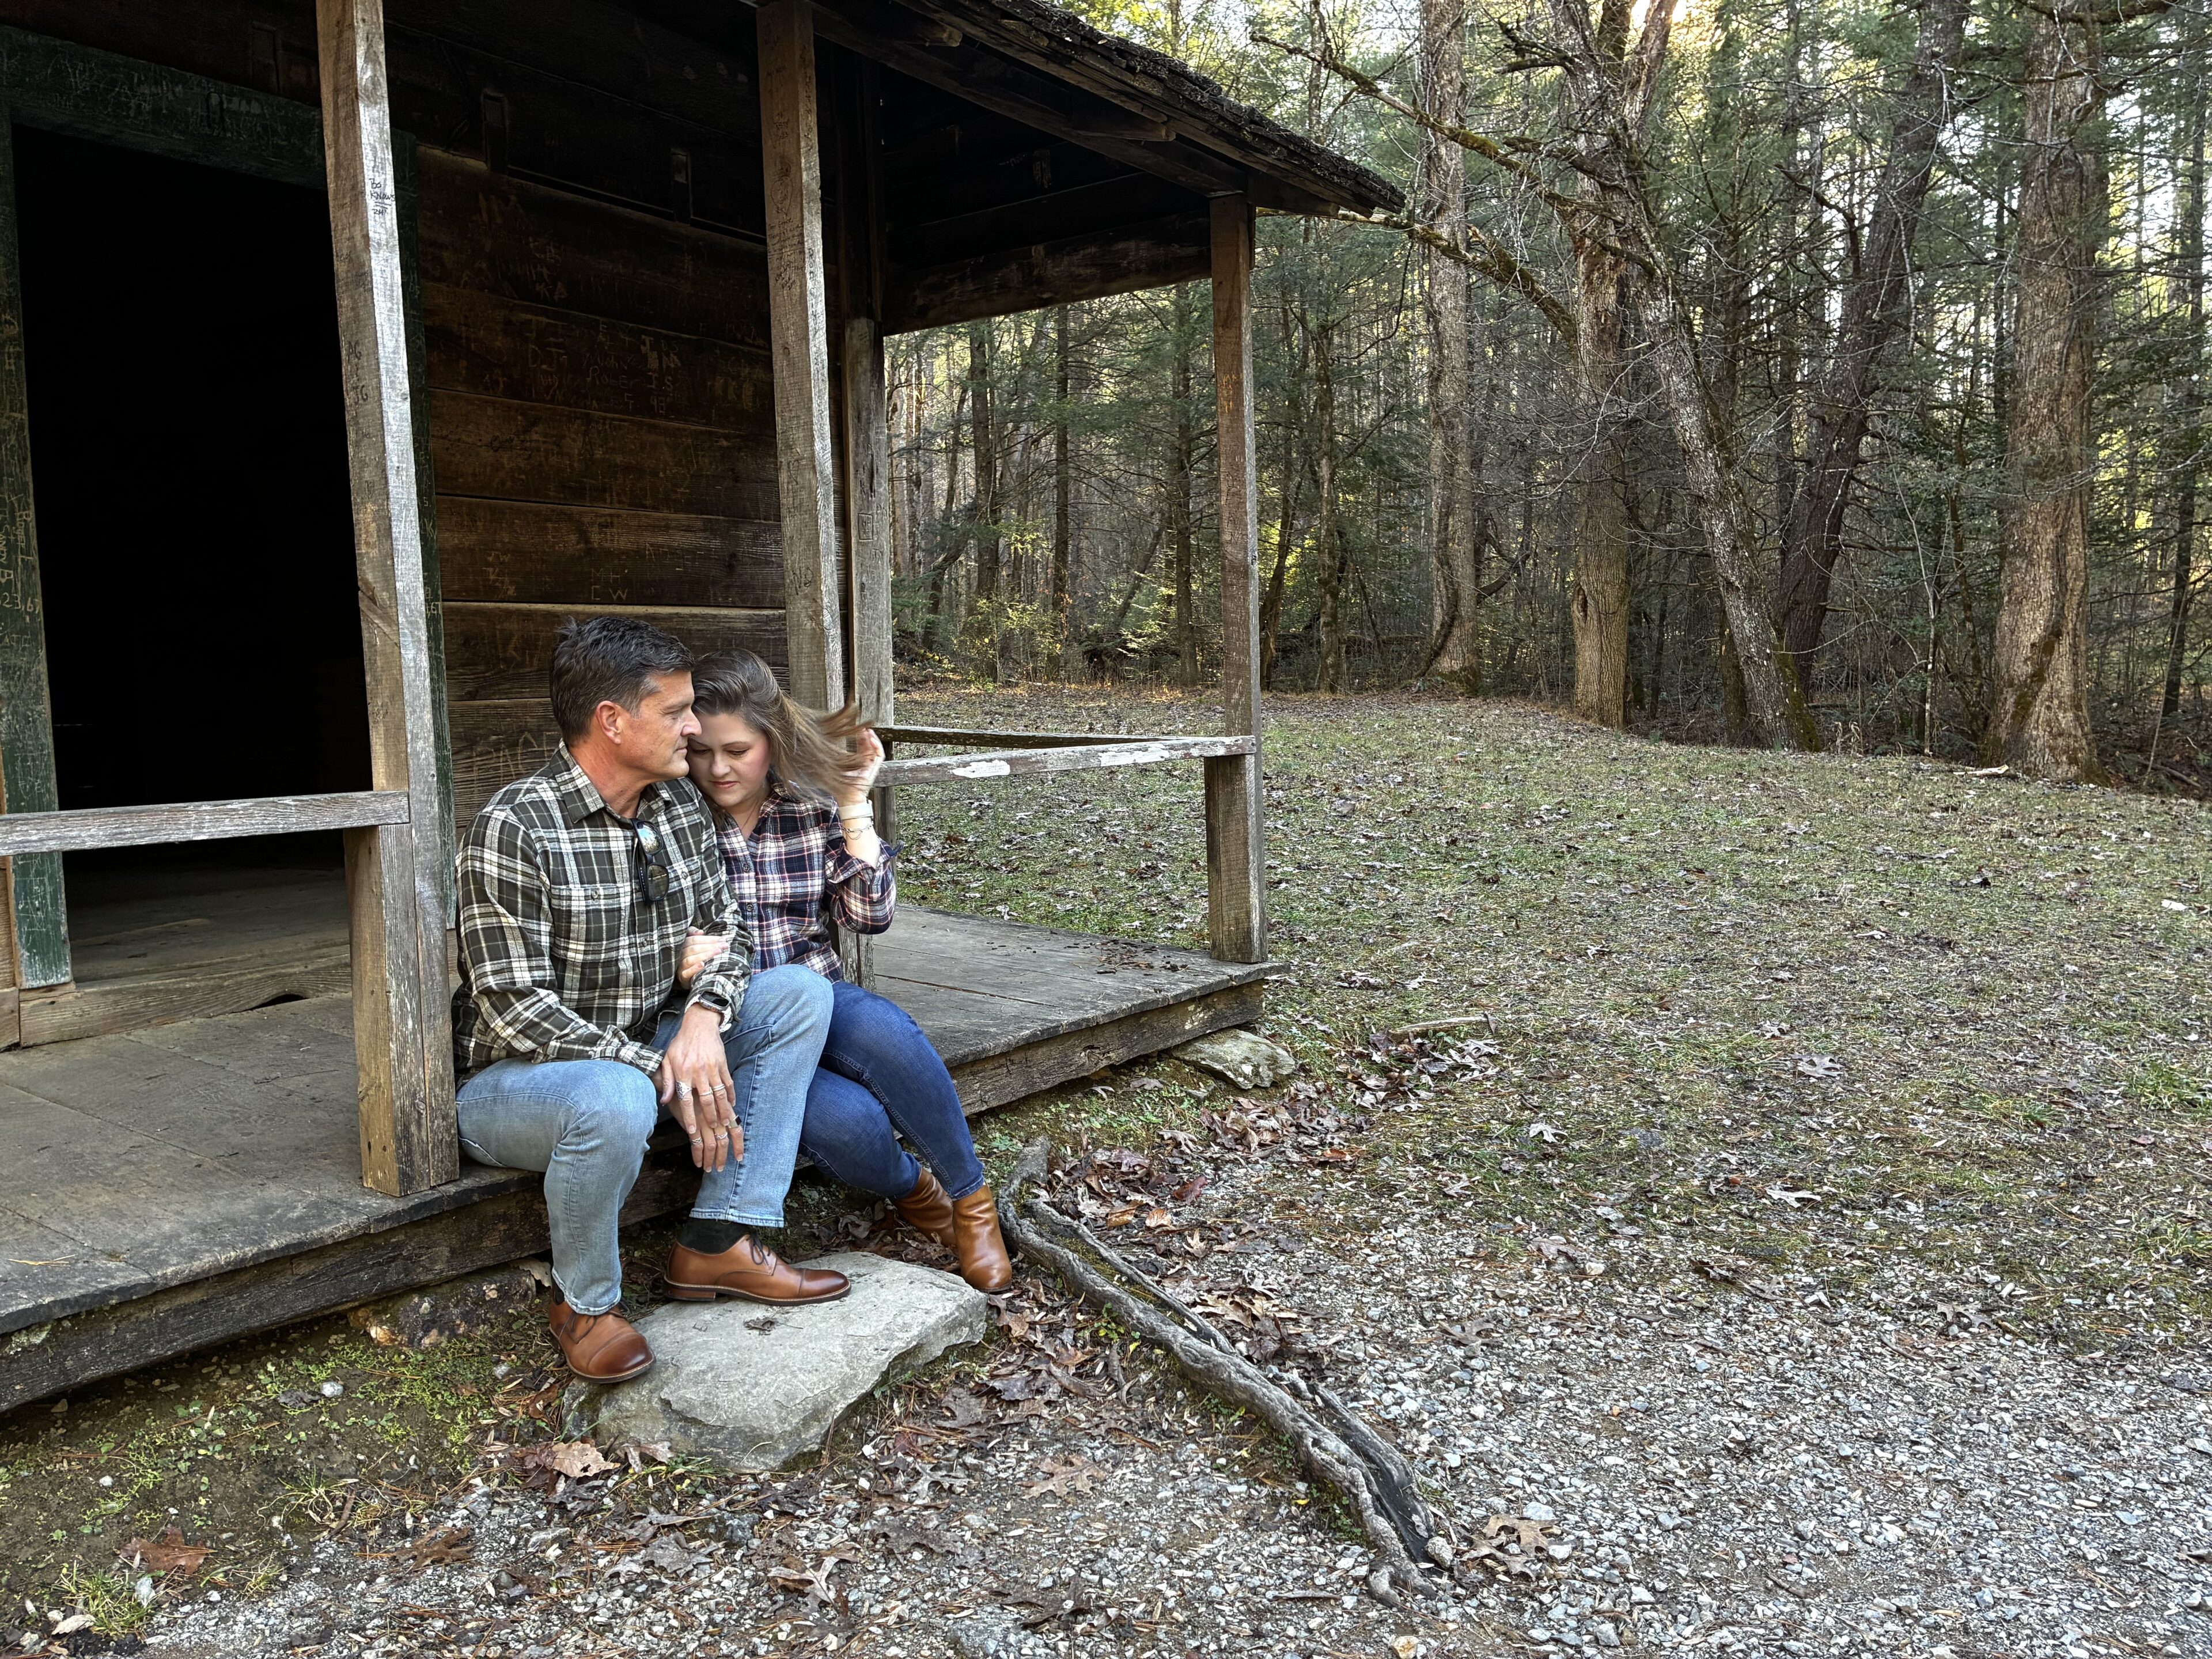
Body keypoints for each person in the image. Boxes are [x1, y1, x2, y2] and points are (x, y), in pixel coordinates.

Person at [452, 618, 850, 1386]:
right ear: (613, 721)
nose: (695, 730)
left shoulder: (674, 808)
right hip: (517, 1084)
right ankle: (586, 1305)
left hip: (649, 1043)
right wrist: (659, 1065)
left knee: (797, 993)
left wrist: (702, 1021)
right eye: (677, 713)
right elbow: (513, 1008)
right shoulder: (515, 828)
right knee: (614, 1096)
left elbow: (729, 933)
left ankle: (721, 1239)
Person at [675, 649, 1014, 1293]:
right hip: (729, 1019)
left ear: (771, 743)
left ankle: (972, 1205)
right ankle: (916, 1192)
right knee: (848, 1125)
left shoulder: (807, 805)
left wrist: (854, 802)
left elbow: (869, 917)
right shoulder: (671, 814)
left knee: (882, 1029)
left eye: (738, 751)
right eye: (702, 752)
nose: (718, 769)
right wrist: (676, 958)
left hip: (815, 990)